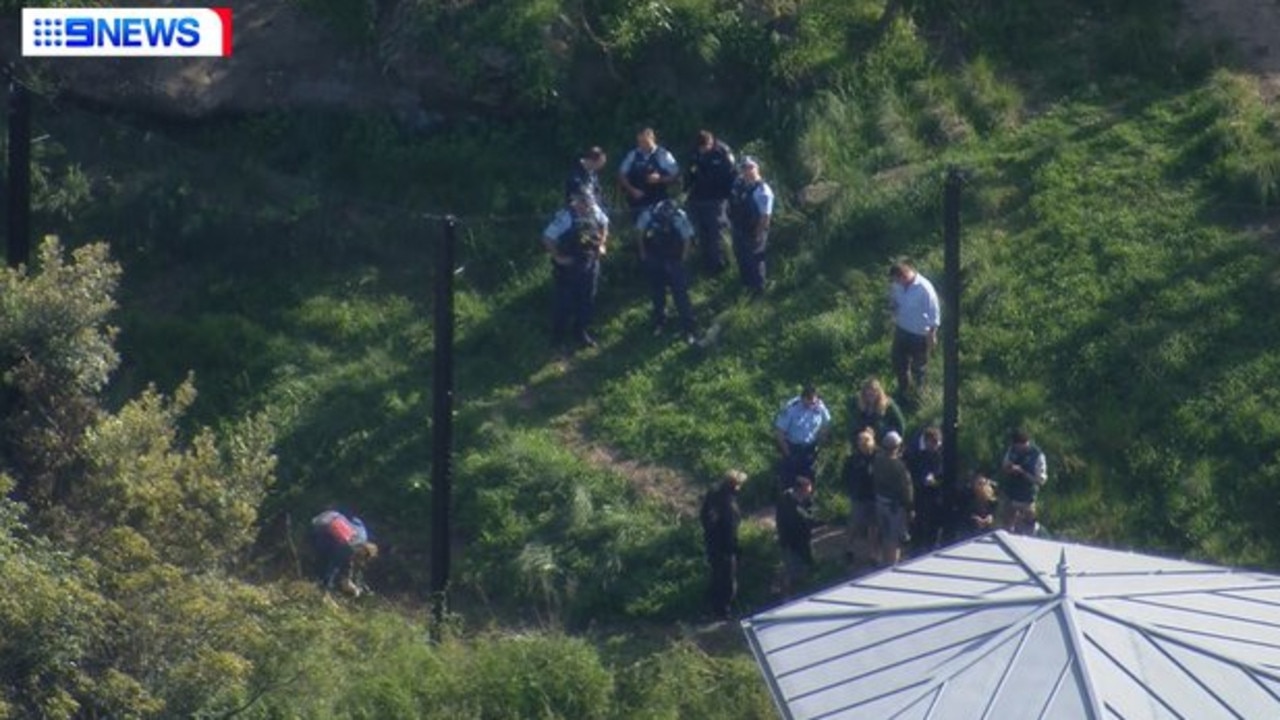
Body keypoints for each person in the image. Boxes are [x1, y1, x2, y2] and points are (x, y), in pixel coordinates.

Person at [541, 192, 609, 352]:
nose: (587, 208)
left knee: (587, 299)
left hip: (590, 262)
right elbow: (547, 238)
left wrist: (602, 244)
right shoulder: (565, 217)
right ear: (576, 203)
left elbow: (604, 224)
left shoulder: (595, 211)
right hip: (569, 267)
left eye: (589, 204)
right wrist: (558, 257)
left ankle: (581, 332)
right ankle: (557, 340)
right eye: (584, 204)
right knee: (564, 303)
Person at [637, 199, 697, 343]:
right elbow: (639, 233)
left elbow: (687, 238)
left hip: (674, 259)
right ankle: (660, 322)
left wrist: (682, 259)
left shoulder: (679, 216)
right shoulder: (648, 215)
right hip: (655, 258)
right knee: (657, 293)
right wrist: (643, 253)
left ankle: (688, 327)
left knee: (680, 294)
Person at [887, 260, 940, 404]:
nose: (896, 284)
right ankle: (904, 390)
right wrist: (893, 310)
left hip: (919, 334)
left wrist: (932, 333)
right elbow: (894, 300)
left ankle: (919, 395)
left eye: (897, 280)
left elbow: (934, 312)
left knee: (919, 366)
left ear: (904, 275)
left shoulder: (924, 288)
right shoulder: (897, 285)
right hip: (901, 329)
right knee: (898, 361)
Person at [684, 130, 735, 275]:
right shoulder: (695, 152)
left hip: (717, 199)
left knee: (716, 234)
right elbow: (690, 172)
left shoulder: (722, 152)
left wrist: (727, 197)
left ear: (711, 142)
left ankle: (720, 268)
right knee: (702, 234)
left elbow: (730, 175)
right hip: (698, 199)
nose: (702, 150)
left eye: (704, 147)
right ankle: (707, 268)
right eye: (700, 148)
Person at [699, 470, 747, 619]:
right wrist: (735, 548)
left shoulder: (713, 495)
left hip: (712, 543)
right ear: (734, 484)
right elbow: (730, 527)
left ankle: (714, 608)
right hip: (725, 547)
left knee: (716, 577)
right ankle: (723, 611)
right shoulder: (728, 502)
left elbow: (704, 517)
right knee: (727, 580)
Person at [728, 156, 774, 297]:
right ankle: (746, 288)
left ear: (757, 168)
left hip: (754, 231)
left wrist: (757, 234)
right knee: (742, 259)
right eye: (744, 168)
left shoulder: (763, 191)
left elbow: (765, 217)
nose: (747, 171)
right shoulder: (740, 184)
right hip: (739, 229)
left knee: (755, 261)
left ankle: (759, 291)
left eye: (750, 167)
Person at [773, 385, 832, 489]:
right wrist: (788, 454)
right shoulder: (791, 408)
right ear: (803, 398)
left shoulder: (819, 406)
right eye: (809, 401)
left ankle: (806, 501)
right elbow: (779, 432)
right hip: (793, 448)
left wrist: (822, 443)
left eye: (815, 400)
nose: (812, 404)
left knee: (809, 481)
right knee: (789, 480)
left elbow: (827, 424)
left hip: (810, 449)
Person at [618, 127, 679, 225]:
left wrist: (660, 179)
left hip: (658, 200)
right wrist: (632, 190)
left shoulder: (663, 155)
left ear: (652, 139)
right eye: (640, 142)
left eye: (645, 142)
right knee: (639, 229)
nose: (642, 145)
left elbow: (675, 175)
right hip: (638, 201)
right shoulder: (633, 155)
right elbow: (622, 174)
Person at [311, 509, 379, 597]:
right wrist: (326, 590)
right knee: (325, 559)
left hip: (333, 514)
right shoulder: (347, 548)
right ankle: (323, 591)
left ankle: (341, 584)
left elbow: (356, 520)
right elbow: (333, 568)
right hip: (320, 525)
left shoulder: (363, 535)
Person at [872, 431, 913, 567]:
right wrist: (910, 507)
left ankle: (882, 561)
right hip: (895, 507)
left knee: (884, 533)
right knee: (894, 538)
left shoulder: (878, 460)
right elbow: (906, 489)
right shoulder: (899, 466)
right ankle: (892, 566)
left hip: (880, 501)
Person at [998, 429, 1048, 535]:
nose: (1018, 449)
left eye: (1020, 446)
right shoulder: (1012, 450)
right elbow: (1004, 466)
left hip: (1027, 499)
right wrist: (1010, 469)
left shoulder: (1037, 455)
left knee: (1028, 527)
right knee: (1006, 527)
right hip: (1010, 496)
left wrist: (1023, 473)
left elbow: (1041, 480)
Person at [905, 426, 945, 553]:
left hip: (935, 494)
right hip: (919, 494)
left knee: (934, 524)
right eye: (933, 444)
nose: (936, 447)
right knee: (919, 523)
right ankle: (916, 549)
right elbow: (909, 473)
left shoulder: (940, 452)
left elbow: (943, 471)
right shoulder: (914, 453)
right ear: (927, 441)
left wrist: (936, 480)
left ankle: (931, 547)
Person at [844, 429, 879, 566]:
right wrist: (851, 490)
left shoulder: (878, 457)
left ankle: (873, 554)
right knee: (855, 524)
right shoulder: (853, 459)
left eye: (866, 442)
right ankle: (849, 549)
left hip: (874, 495)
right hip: (859, 496)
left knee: (874, 526)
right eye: (861, 442)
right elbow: (846, 477)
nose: (864, 445)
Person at [776, 475, 815, 596]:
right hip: (790, 542)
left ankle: (798, 592)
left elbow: (811, 516)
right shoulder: (786, 502)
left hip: (803, 541)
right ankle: (785, 593)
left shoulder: (807, 500)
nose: (809, 494)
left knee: (803, 569)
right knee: (790, 569)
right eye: (807, 492)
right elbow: (786, 524)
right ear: (800, 490)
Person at [848, 377, 906, 443]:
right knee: (864, 438)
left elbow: (900, 426)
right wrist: (864, 431)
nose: (871, 394)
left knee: (893, 437)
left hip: (885, 437)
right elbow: (853, 427)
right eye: (868, 392)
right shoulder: (859, 406)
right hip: (866, 439)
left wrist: (878, 432)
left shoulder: (888, 405)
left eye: (874, 391)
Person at [955, 473, 998, 540]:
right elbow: (963, 512)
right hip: (968, 528)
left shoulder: (992, 501)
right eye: (979, 483)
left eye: (984, 484)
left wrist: (990, 517)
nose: (982, 487)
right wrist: (975, 518)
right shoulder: (967, 496)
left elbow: (994, 513)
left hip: (986, 529)